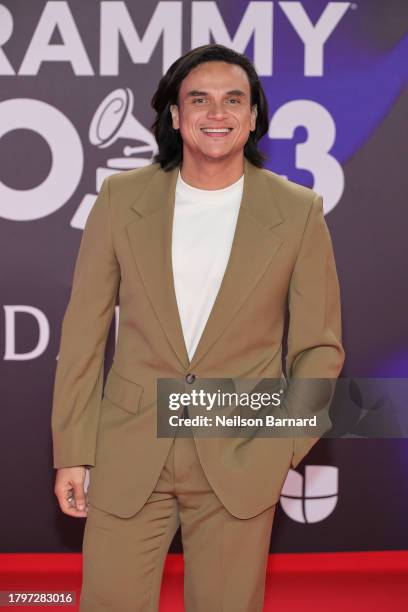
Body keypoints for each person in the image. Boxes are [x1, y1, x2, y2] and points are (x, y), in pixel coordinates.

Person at [52, 44, 345, 611]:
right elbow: (83, 334)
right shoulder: (120, 198)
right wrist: (72, 449)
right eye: (200, 99)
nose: (218, 112)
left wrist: (280, 448)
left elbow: (319, 350)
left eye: (234, 99)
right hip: (128, 450)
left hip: (240, 453)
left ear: (254, 116)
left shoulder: (299, 211)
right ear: (176, 116)